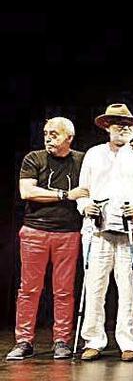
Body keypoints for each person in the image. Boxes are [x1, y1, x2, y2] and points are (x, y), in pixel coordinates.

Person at [76, 103, 133, 362]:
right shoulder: (94, 154)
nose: (122, 126)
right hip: (98, 231)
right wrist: (84, 206)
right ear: (107, 126)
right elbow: (83, 190)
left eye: (127, 123)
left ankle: (129, 342)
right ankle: (93, 340)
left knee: (128, 287)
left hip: (130, 230)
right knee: (95, 286)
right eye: (117, 122)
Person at [6, 117, 88, 361]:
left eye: (54, 134)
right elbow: (27, 191)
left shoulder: (82, 160)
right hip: (35, 232)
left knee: (64, 291)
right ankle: (23, 341)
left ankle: (62, 340)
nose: (48, 138)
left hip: (68, 233)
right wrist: (66, 195)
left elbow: (109, 164)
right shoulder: (34, 158)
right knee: (29, 289)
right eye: (46, 133)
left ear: (69, 138)